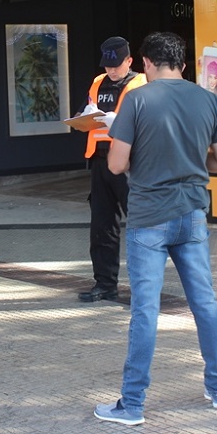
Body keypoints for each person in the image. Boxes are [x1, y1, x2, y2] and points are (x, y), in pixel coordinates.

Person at [94, 32, 217, 426]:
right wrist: (191, 160)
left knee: (145, 309)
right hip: (191, 214)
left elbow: (116, 165)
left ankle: (133, 405)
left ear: (146, 65)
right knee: (204, 303)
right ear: (184, 66)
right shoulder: (208, 100)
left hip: (148, 217)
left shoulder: (136, 99)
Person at [74, 36, 146, 303]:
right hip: (100, 161)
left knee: (141, 227)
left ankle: (144, 289)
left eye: (117, 65)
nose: (111, 70)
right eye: (107, 65)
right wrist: (87, 116)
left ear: (130, 60)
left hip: (130, 162)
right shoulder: (97, 82)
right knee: (102, 226)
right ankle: (104, 284)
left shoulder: (141, 84)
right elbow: (84, 114)